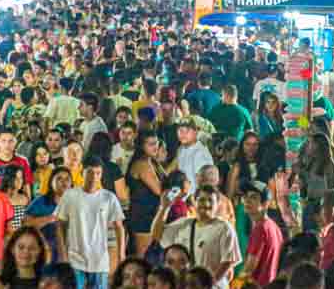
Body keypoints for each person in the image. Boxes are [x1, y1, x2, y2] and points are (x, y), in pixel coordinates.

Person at [55, 156, 126, 289]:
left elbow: (119, 227)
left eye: (98, 173)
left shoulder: (109, 197)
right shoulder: (70, 195)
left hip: (100, 260)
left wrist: (121, 254)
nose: (94, 177)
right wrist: (63, 254)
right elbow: (60, 225)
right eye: (90, 172)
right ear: (83, 172)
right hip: (74, 259)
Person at [152, 185, 241, 289]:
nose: (206, 204)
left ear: (217, 204)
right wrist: (164, 207)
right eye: (202, 200)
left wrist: (209, 284)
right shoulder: (183, 224)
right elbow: (157, 235)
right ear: (194, 201)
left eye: (210, 200)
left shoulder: (224, 228)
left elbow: (227, 262)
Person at [127, 130, 166, 258]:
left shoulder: (152, 162)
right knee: (143, 258)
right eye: (151, 144)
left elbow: (168, 181)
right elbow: (160, 190)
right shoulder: (141, 164)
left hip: (152, 215)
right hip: (142, 217)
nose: (155, 147)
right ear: (142, 146)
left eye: (157, 143)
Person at [239, 181, 283, 287]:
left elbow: (249, 268)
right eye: (245, 196)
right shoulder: (274, 226)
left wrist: (235, 285)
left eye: (253, 197)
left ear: (265, 204)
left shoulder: (260, 228)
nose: (247, 201)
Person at [25, 166, 72, 262]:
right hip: (45, 251)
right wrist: (50, 218)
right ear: (51, 182)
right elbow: (26, 224)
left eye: (67, 179)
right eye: (59, 178)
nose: (64, 182)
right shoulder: (41, 201)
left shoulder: (76, 202)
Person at [173, 119, 214, 195]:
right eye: (180, 130)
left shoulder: (200, 153)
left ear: (196, 132)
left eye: (187, 131)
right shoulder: (182, 149)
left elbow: (205, 185)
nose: (183, 134)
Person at [0, 129, 33, 193]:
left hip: (17, 200)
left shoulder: (23, 161)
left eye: (11, 141)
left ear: (15, 143)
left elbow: (27, 186)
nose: (7, 144)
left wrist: (28, 201)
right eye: (3, 141)